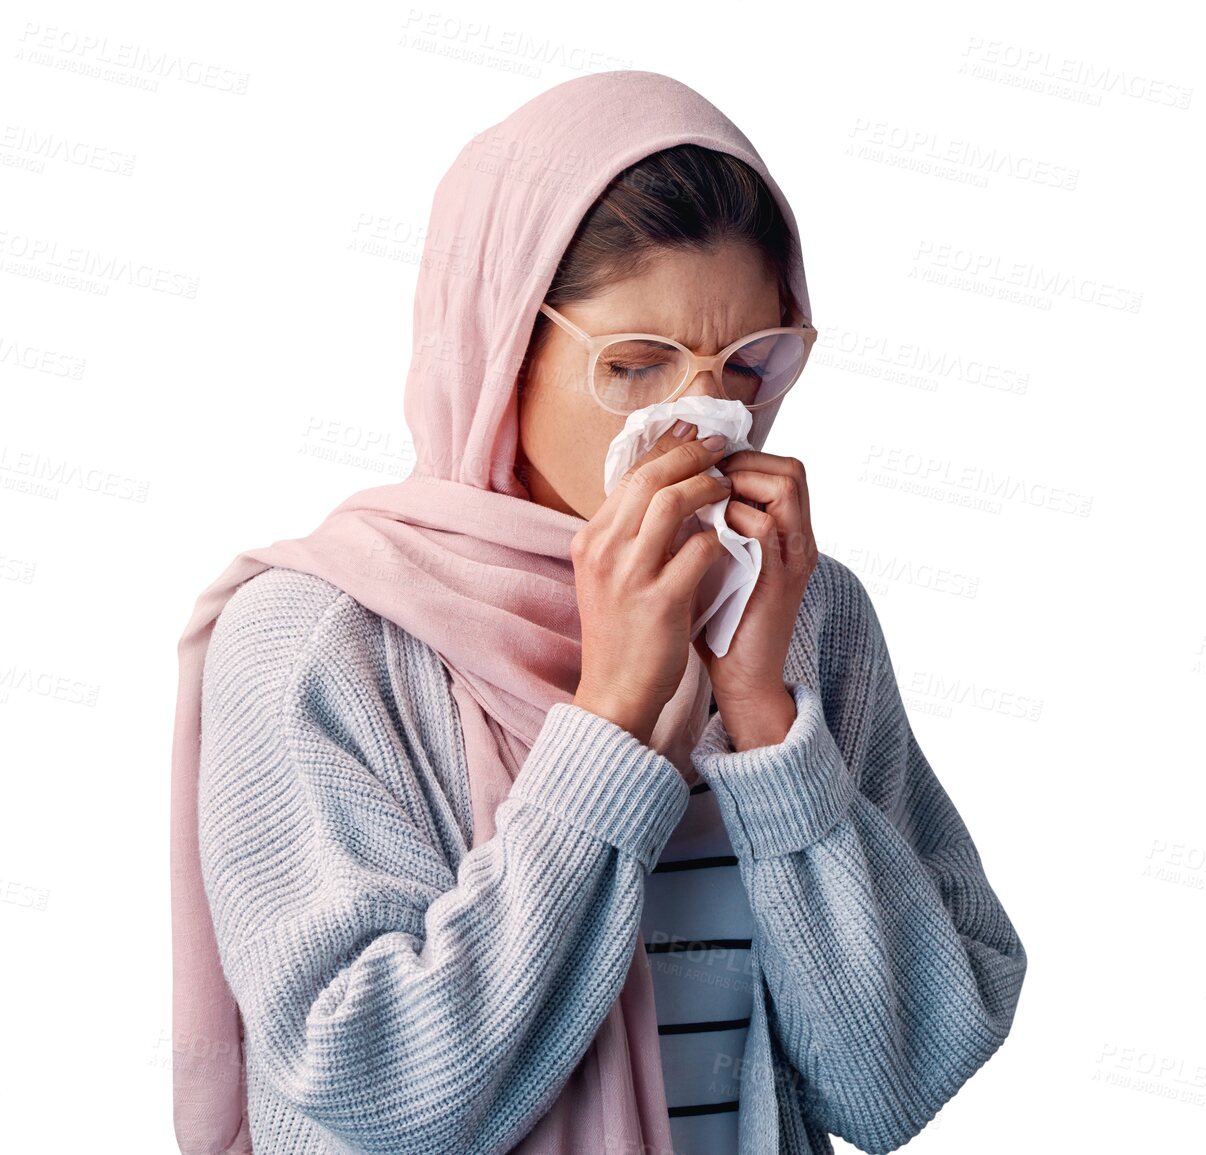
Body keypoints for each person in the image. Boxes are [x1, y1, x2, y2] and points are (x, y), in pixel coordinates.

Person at [169, 71, 1027, 1155]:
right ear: (497, 350)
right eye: (635, 365)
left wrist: (766, 720)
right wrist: (614, 720)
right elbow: (376, 1089)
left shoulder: (804, 615)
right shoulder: (318, 636)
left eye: (747, 366)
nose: (701, 417)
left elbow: (903, 1078)